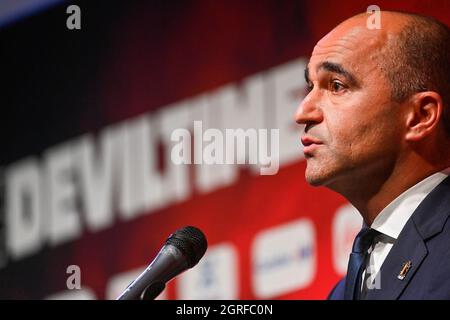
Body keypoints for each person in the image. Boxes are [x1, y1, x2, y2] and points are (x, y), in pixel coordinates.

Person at [295, 10, 450, 299]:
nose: (302, 112)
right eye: (310, 87)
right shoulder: (341, 293)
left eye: (336, 86)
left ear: (420, 116)